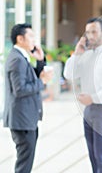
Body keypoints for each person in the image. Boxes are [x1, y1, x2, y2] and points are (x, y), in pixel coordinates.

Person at [63, 17, 102, 173]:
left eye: (94, 31)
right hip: (89, 110)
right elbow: (68, 74)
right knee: (92, 156)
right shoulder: (86, 54)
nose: (90, 35)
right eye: (88, 32)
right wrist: (76, 55)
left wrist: (94, 97)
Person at [3, 23, 53, 173]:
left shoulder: (21, 57)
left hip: (25, 119)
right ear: (20, 38)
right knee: (24, 164)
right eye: (30, 36)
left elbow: (31, 79)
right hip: (22, 121)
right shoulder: (17, 60)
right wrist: (42, 82)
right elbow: (20, 89)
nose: (34, 40)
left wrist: (40, 60)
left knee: (25, 162)